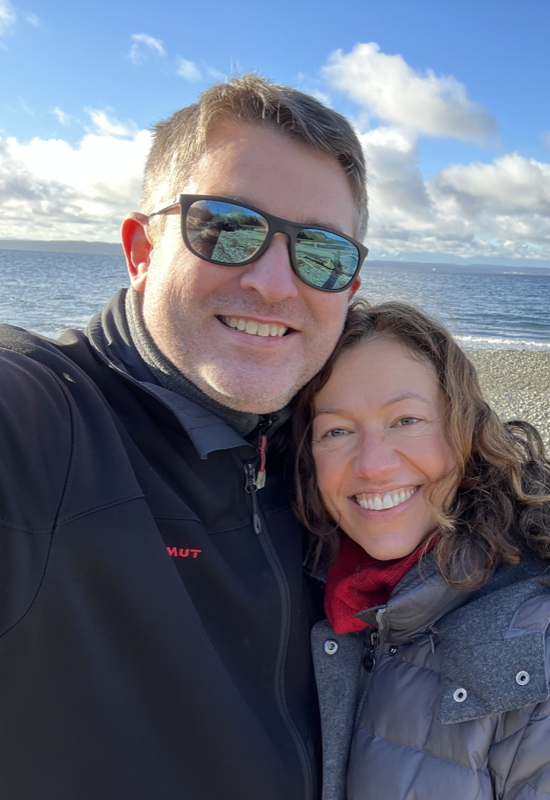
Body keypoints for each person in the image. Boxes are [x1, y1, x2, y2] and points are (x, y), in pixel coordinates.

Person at [0, 75, 369, 799]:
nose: (272, 283)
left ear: (349, 290)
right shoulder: (43, 427)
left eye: (321, 254)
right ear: (141, 251)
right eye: (227, 228)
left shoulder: (330, 453)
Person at [294, 300, 550, 800]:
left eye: (406, 420)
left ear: (465, 435)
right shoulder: (299, 591)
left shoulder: (536, 637)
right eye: (337, 431)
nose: (372, 465)